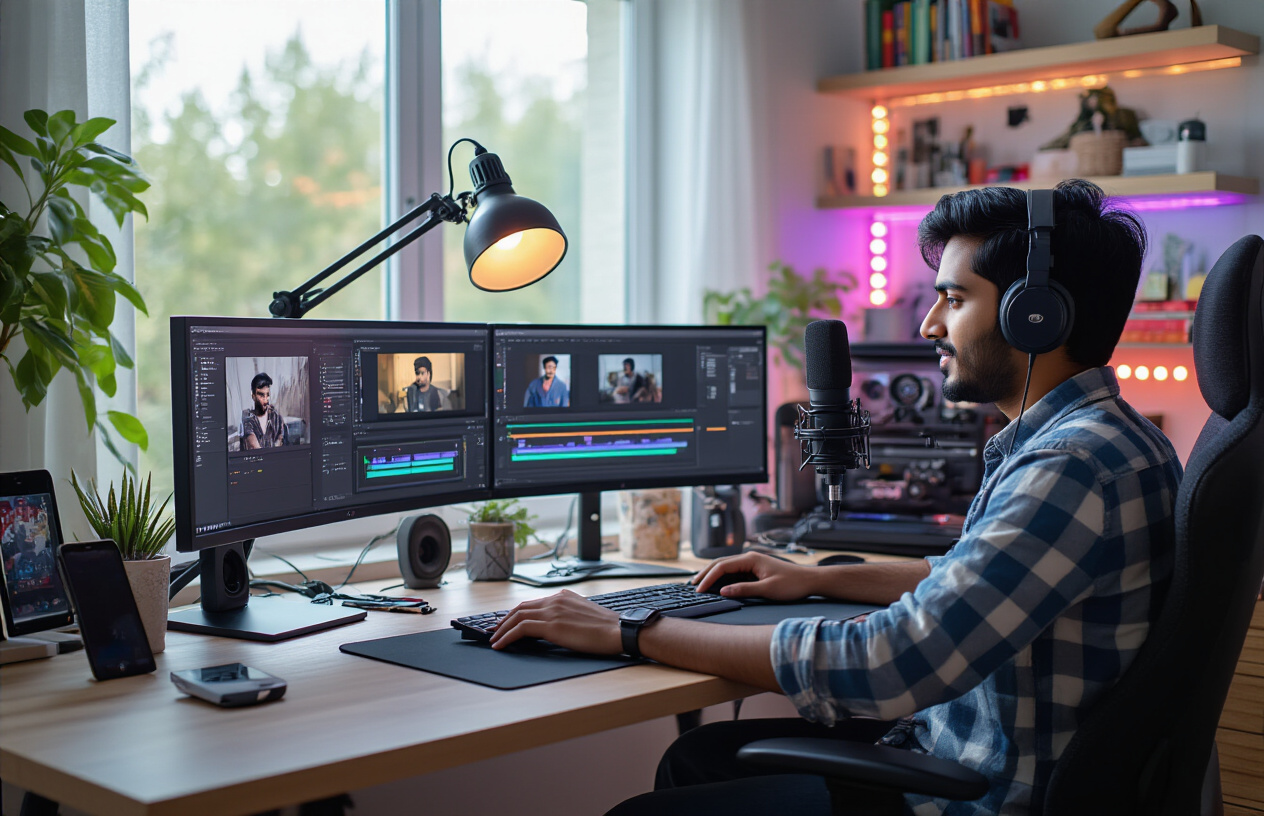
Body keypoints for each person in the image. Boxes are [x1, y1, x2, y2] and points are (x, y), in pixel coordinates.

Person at [487, 180, 1182, 816]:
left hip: (974, 796)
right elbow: (974, 581)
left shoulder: (1069, 465)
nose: (930, 325)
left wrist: (630, 630)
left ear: (1037, 316)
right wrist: (818, 578)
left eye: (957, 298)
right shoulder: (1103, 441)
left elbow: (893, 662)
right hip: (965, 756)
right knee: (694, 759)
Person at [240, 373, 289, 450]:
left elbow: (282, 443)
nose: (266, 400)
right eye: (262, 395)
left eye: (267, 395)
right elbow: (253, 446)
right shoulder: (247, 418)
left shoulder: (276, 417)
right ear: (253, 396)